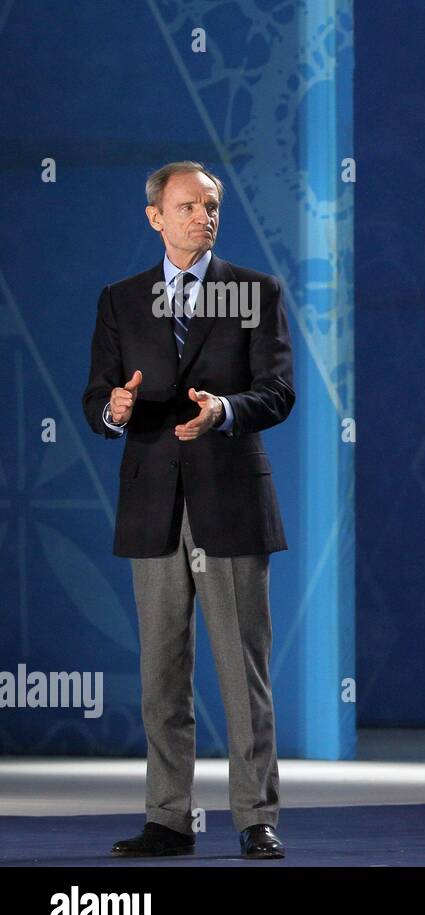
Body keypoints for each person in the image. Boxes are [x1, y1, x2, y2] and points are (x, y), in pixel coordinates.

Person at [82, 160, 295, 857]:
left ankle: (254, 817)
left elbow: (278, 392)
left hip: (229, 499)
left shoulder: (255, 293)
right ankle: (168, 819)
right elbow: (98, 399)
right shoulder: (120, 299)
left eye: (211, 206)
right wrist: (114, 409)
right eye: (187, 206)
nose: (202, 216)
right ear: (155, 217)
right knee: (161, 676)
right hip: (153, 507)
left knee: (243, 673)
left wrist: (224, 411)